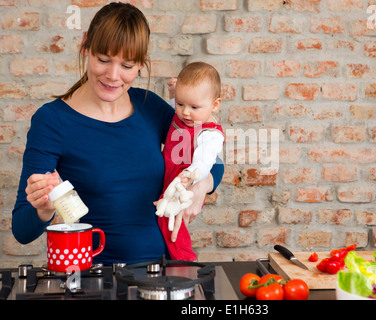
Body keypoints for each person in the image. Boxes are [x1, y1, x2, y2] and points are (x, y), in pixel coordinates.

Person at [11, 3, 223, 265]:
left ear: (140, 66)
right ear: (86, 47)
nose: (113, 76)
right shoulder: (52, 121)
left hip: (161, 274)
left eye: (127, 65)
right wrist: (43, 211)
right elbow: (21, 230)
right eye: (103, 60)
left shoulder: (150, 107)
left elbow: (212, 157)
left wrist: (203, 185)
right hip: (92, 278)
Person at [156, 62, 224, 261]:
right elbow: (172, 114)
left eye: (194, 107)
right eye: (180, 103)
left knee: (172, 224)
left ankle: (184, 259)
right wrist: (172, 95)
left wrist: (191, 175)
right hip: (168, 178)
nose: (185, 112)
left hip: (183, 182)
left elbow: (204, 160)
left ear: (215, 105)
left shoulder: (210, 133)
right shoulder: (183, 116)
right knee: (165, 217)